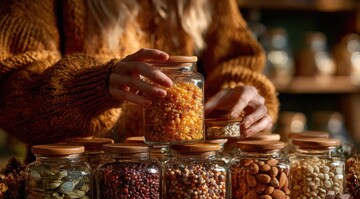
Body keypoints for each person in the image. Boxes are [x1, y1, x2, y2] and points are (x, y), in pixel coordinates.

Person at [0, 0, 278, 163]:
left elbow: (236, 59)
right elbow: (13, 91)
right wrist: (89, 88)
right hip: (71, 189)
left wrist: (238, 95)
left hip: (187, 176)